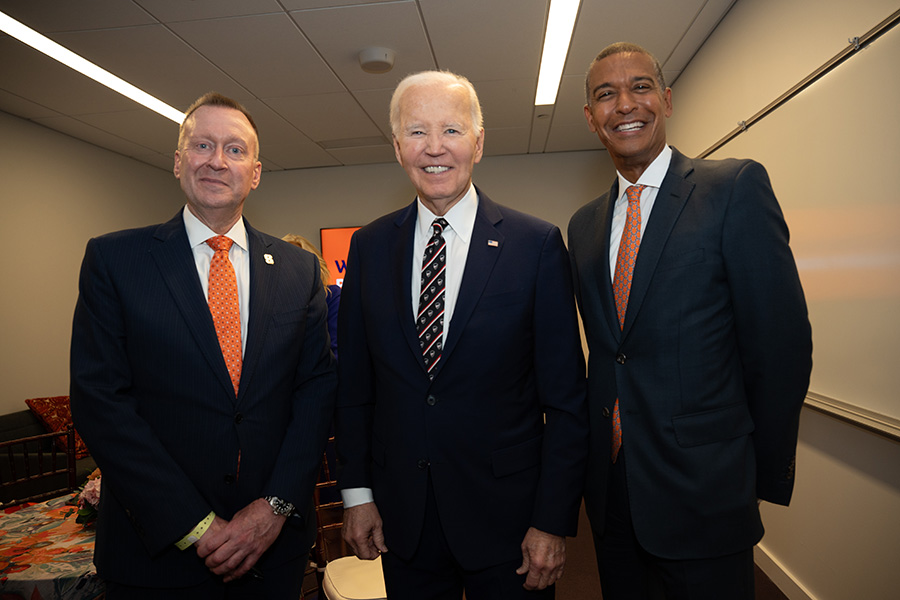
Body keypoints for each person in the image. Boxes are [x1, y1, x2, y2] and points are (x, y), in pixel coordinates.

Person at [567, 42, 813, 599]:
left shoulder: (732, 189)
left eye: (641, 87)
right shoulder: (582, 227)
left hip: (706, 492)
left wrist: (753, 473)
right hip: (612, 495)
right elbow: (609, 355)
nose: (625, 104)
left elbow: (781, 348)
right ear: (590, 118)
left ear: (667, 100)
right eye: (606, 95)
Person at [69, 92, 336, 599]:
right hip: (155, 557)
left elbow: (316, 392)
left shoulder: (299, 270)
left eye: (235, 150)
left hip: (272, 553)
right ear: (177, 162)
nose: (217, 160)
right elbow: (100, 404)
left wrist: (274, 507)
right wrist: (195, 525)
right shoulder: (115, 261)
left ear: (255, 173)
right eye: (202, 145)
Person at [335, 70, 588, 599]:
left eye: (451, 130)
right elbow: (356, 389)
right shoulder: (369, 247)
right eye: (416, 131)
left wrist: (552, 520)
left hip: (512, 521)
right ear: (397, 145)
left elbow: (566, 401)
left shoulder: (535, 245)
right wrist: (357, 495)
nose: (434, 148)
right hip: (404, 520)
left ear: (478, 142)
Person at [283, 234, 341, 361]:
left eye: (298, 262)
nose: (291, 269)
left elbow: (338, 348)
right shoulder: (271, 302)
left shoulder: (331, 296)